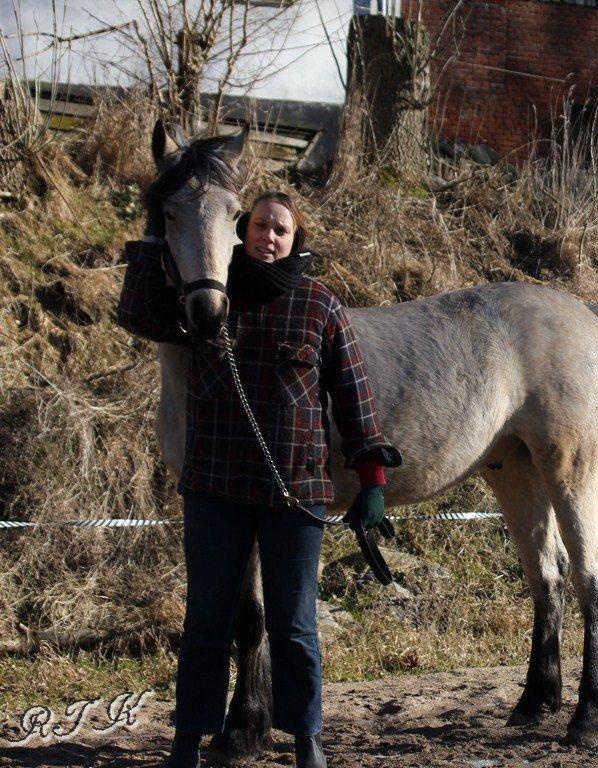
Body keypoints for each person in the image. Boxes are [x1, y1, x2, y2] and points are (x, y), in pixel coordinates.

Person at [117, 191, 402, 768]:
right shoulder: (207, 299)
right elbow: (137, 314)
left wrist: (372, 478)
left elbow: (354, 398)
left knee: (295, 628)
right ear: (241, 232)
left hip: (294, 494)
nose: (268, 238)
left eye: (281, 230)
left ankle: (306, 740)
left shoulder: (320, 305)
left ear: (295, 241)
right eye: (260, 226)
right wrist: (154, 237)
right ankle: (186, 740)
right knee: (206, 623)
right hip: (216, 490)